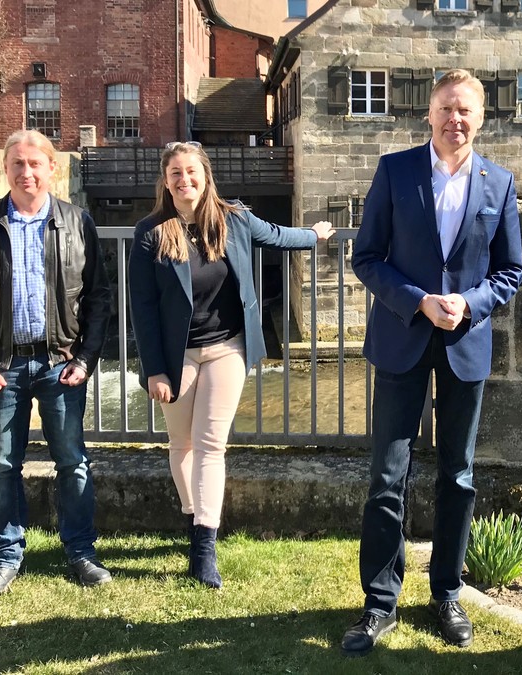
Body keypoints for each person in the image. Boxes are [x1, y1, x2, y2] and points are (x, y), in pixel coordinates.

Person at [341, 69, 522, 656]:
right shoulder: (395, 170)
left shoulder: (499, 183)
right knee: (387, 478)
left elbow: (511, 271)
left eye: (466, 111)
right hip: (402, 338)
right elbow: (366, 256)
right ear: (429, 114)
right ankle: (379, 602)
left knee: (458, 474)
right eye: (447, 109)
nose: (456, 120)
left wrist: (468, 305)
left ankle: (446, 591)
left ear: (480, 118)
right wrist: (416, 300)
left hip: (463, 346)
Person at [127, 141, 334, 588]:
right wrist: (154, 371)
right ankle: (194, 515)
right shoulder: (150, 232)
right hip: (175, 354)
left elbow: (277, 235)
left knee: (210, 445)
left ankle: (204, 546)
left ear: (205, 175)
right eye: (176, 174)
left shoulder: (233, 218)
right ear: (166, 181)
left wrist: (313, 236)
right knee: (180, 444)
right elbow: (141, 307)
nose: (185, 181)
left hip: (227, 347)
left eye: (192, 172)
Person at [0, 129, 113, 601]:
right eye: (17, 164)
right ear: (5, 170)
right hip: (2, 366)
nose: (26, 172)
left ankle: (81, 553)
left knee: (73, 462)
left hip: (60, 364)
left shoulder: (76, 222)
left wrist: (85, 358)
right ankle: (6, 556)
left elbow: (98, 298)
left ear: (51, 169)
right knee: (1, 465)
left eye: (35, 163)